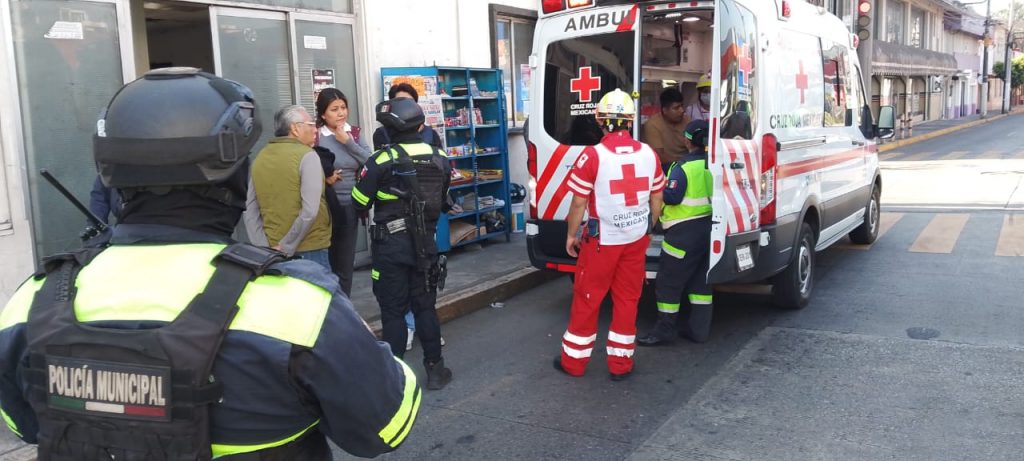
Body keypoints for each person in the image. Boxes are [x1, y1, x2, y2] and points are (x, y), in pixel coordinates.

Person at [0, 67, 420, 460]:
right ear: (234, 178)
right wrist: (362, 342)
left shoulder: (33, 301)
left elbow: (24, 424)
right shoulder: (298, 305)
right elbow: (386, 426)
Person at [554, 89, 665, 381]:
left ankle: (574, 362)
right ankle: (620, 364)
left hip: (602, 241)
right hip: (635, 240)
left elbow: (579, 203)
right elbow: (657, 198)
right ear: (630, 120)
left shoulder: (593, 156)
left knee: (588, 298)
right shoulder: (649, 154)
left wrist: (571, 235)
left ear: (600, 119)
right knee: (628, 299)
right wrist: (647, 226)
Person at [353, 97, 454, 390]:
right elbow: (444, 202)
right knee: (425, 307)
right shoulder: (440, 157)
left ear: (388, 129)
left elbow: (359, 201)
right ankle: (436, 370)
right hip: (425, 246)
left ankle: (393, 378)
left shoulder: (381, 160)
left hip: (391, 247)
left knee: (393, 311)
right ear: (420, 126)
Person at [638, 119, 714, 346]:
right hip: (709, 229)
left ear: (687, 141)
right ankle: (698, 331)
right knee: (700, 284)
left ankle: (664, 330)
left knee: (668, 283)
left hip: (683, 233)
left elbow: (672, 197)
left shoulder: (682, 167)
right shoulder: (714, 162)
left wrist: (657, 187)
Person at [244, 104, 332, 268]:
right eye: (311, 124)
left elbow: (250, 209)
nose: (315, 130)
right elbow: (310, 211)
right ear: (295, 129)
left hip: (271, 250)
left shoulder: (261, 157)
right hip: (309, 249)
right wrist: (286, 246)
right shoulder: (308, 156)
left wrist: (263, 246)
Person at [315, 89, 371, 294]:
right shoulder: (316, 136)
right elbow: (304, 167)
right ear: (323, 114)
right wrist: (324, 177)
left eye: (343, 108)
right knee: (326, 260)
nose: (341, 113)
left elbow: (370, 162)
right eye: (334, 109)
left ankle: (343, 302)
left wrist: (348, 142)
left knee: (345, 262)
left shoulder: (353, 133)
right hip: (323, 206)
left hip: (349, 205)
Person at [372, 82, 444, 150]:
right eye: (401, 103)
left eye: (409, 102)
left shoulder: (431, 134)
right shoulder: (382, 134)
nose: (406, 106)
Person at [641, 87, 688, 170]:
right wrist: (683, 163)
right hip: (665, 167)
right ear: (664, 110)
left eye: (682, 106)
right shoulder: (653, 125)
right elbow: (660, 157)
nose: (682, 110)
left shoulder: (687, 121)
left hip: (688, 165)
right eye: (676, 108)